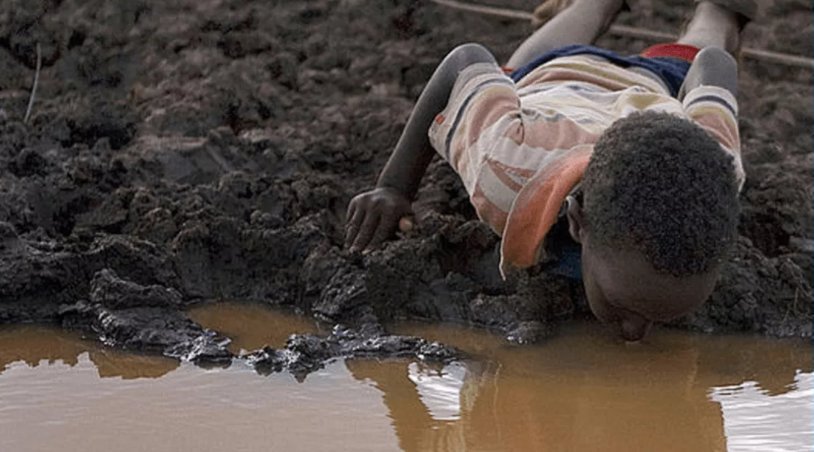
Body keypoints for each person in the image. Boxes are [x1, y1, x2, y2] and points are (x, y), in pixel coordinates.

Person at [344, 0, 756, 341]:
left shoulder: (718, 168)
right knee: (523, 69)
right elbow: (464, 62)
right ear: (577, 220)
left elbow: (717, 63)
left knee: (715, 27)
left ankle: (718, 12)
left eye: (665, 316)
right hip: (553, 79)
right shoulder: (507, 168)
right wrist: (395, 187)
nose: (635, 333)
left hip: (652, 89)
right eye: (625, 307)